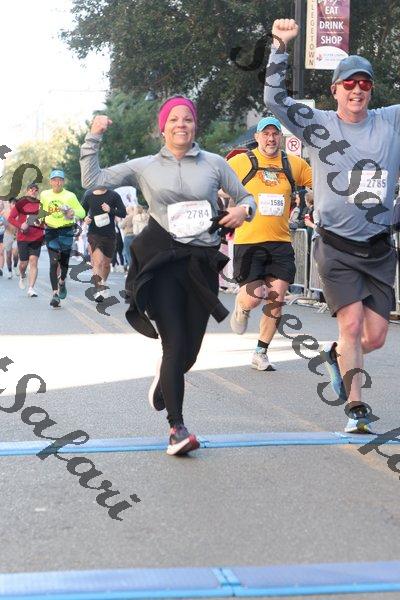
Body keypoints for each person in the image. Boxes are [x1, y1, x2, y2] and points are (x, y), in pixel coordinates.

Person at [80, 95, 256, 456]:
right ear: (163, 128)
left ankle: (165, 379)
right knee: (174, 343)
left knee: (189, 352)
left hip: (201, 264)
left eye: (187, 119)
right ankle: (177, 428)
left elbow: (247, 198)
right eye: (173, 119)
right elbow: (93, 178)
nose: (181, 125)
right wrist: (93, 136)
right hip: (161, 263)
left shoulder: (215, 163)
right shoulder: (145, 166)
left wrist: (243, 211)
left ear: (195, 125)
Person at [265, 19, 400, 433]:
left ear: (371, 90)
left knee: (374, 337)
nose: (357, 90)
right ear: (335, 90)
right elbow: (274, 99)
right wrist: (279, 46)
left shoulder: (390, 122)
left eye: (364, 84)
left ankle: (336, 354)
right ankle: (356, 407)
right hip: (336, 246)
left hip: (378, 247)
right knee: (352, 324)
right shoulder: (319, 124)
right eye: (349, 84)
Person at [228, 116, 312, 371]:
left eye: (275, 134)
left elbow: (317, 184)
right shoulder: (241, 162)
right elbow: (216, 182)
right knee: (255, 298)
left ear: (280, 138)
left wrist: (313, 196)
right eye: (266, 134)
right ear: (257, 137)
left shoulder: (293, 163)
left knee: (276, 298)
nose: (271, 138)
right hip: (249, 242)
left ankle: (260, 352)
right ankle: (242, 306)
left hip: (280, 242)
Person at [40, 169, 86, 308]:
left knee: (64, 262)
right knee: (53, 263)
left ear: (63, 182)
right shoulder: (45, 194)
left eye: (60, 180)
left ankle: (62, 282)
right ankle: (55, 294)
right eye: (55, 180)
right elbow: (42, 210)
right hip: (51, 231)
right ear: (51, 182)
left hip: (66, 231)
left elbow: (82, 212)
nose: (57, 183)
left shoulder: (70, 196)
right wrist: (39, 219)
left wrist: (73, 212)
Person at [81, 186, 126, 301]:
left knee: (106, 264)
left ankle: (103, 283)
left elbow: (123, 213)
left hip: (109, 235)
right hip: (94, 233)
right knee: (98, 262)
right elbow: (82, 213)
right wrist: (85, 219)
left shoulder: (114, 195)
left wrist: (110, 210)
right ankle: (99, 290)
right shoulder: (88, 195)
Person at [8, 183, 44, 296]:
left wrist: (42, 223)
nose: (33, 191)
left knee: (34, 261)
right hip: (23, 238)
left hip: (37, 237)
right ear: (27, 191)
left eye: (35, 190)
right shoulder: (20, 204)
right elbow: (10, 218)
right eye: (31, 189)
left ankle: (31, 288)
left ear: (37, 192)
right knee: (23, 263)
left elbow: (45, 220)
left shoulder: (41, 204)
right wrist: (20, 225)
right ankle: (22, 275)